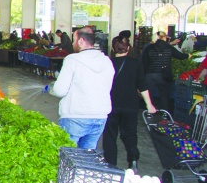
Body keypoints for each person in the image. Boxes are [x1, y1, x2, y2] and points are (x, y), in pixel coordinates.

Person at [51, 27, 115, 148]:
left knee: (68, 157)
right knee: (86, 158)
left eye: (74, 40)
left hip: (75, 116)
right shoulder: (106, 61)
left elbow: (59, 90)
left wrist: (52, 89)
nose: (73, 43)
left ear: (81, 41)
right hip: (100, 116)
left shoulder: (72, 60)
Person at [104, 37, 156, 169]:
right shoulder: (136, 63)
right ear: (128, 48)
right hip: (131, 105)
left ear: (113, 49)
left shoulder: (107, 63)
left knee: (110, 135)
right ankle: (133, 159)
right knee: (130, 133)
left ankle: (111, 164)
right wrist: (149, 104)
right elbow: (142, 85)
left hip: (111, 105)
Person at [142, 31, 188, 112]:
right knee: (164, 95)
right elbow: (180, 56)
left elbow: (144, 62)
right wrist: (188, 55)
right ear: (164, 38)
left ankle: (149, 112)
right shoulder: (169, 47)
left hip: (150, 74)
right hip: (163, 74)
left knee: (149, 95)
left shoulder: (149, 48)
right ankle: (165, 114)